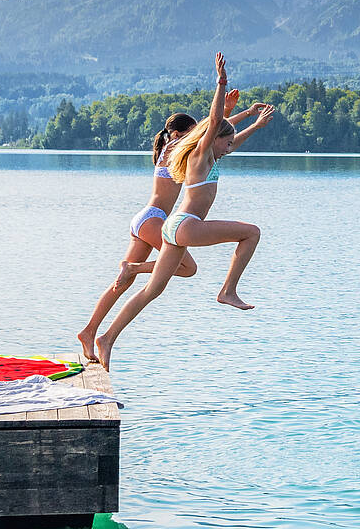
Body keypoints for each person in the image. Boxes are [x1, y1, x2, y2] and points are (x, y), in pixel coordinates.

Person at [94, 53, 269, 368]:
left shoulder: (212, 157)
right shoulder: (200, 156)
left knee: (152, 290)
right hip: (185, 224)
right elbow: (214, 122)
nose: (230, 147)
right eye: (225, 143)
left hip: (173, 227)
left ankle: (106, 339)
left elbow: (232, 138)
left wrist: (255, 124)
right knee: (251, 233)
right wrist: (221, 83)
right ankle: (228, 290)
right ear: (211, 140)